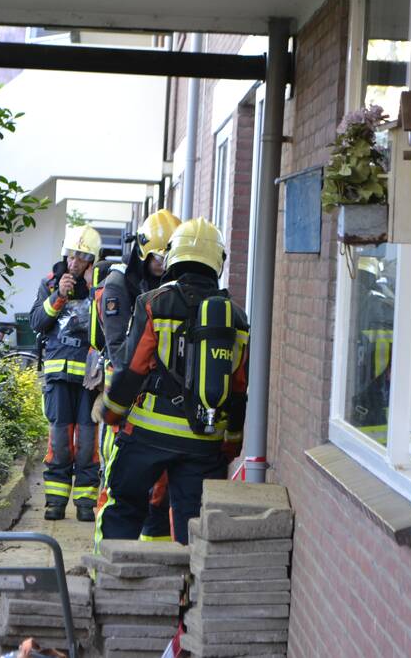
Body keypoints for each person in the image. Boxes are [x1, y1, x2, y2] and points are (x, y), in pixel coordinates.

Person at [96, 217, 249, 545]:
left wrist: (111, 412)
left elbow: (133, 366)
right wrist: (230, 443)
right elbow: (238, 387)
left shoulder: (154, 303)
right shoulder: (236, 317)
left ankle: (113, 582)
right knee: (193, 522)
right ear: (217, 262)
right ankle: (187, 592)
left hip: (147, 436)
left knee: (124, 507)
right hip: (204, 441)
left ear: (174, 256)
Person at [91, 209, 181, 545]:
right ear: (143, 251)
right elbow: (119, 351)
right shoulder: (117, 287)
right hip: (124, 399)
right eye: (158, 257)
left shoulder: (167, 284)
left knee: (158, 490)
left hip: (155, 400)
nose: (163, 264)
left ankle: (151, 562)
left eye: (168, 257)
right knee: (117, 484)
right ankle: (104, 561)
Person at [30, 224, 103, 522]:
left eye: (82, 257)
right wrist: (58, 296)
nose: (74, 263)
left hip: (89, 381)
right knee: (59, 442)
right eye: (71, 256)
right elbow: (37, 322)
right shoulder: (50, 284)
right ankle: (55, 503)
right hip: (58, 378)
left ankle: (85, 503)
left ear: (91, 261)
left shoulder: (101, 290)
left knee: (87, 443)